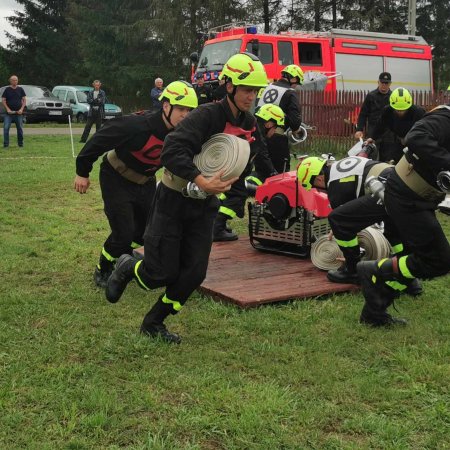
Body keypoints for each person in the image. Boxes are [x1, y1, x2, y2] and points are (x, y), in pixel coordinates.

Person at [105, 52, 269, 343]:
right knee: (160, 273)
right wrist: (200, 179)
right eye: (247, 89)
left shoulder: (250, 123)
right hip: (174, 200)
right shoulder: (206, 116)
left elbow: (249, 159)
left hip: (205, 206)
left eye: (255, 91)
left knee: (194, 274)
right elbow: (171, 150)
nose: (251, 96)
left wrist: (241, 189)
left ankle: (154, 324)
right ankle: (128, 266)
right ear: (229, 86)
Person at [74, 81, 197, 288]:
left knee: (147, 233)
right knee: (123, 232)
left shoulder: (183, 133)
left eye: (190, 110)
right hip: (116, 178)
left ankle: (125, 257)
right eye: (181, 109)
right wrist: (82, 172)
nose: (186, 115)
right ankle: (103, 268)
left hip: (146, 183)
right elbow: (99, 140)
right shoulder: (137, 124)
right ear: (166, 106)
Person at [356, 104, 450, 326]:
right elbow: (415, 136)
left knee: (436, 260)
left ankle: (374, 310)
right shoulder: (446, 117)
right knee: (438, 260)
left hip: (420, 198)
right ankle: (373, 272)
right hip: (406, 196)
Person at [296, 151, 421, 296]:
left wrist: (342, 236)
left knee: (337, 220)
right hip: (403, 183)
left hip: (387, 190)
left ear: (318, 177)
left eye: (314, 185)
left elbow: (345, 221)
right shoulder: (341, 167)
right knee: (393, 231)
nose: (318, 190)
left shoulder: (334, 185)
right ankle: (410, 275)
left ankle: (353, 269)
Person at [256, 64, 304, 171]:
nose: (295, 86)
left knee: (262, 168)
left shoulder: (268, 86)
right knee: (281, 172)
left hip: (259, 133)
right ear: (293, 78)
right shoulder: (290, 93)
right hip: (276, 135)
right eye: (296, 83)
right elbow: (295, 121)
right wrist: (297, 130)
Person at [365, 87, 426, 163]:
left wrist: (412, 140)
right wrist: (372, 137)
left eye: (403, 110)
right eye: (398, 110)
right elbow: (380, 125)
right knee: (394, 162)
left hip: (416, 142)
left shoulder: (419, 112)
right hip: (398, 141)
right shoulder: (387, 111)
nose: (400, 112)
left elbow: (426, 131)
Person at [245, 104, 288, 192]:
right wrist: (275, 175)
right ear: (269, 124)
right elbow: (262, 154)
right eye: (275, 127)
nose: (275, 131)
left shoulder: (251, 127)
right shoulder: (257, 134)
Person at [354, 72, 395, 162]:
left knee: (386, 160)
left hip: (388, 133)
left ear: (390, 84)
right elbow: (363, 114)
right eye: (382, 82)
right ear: (378, 82)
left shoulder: (393, 97)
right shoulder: (371, 96)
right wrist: (359, 129)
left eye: (386, 83)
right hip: (373, 133)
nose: (384, 85)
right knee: (371, 158)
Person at [2, 75, 26, 148]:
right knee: (6, 128)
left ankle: (20, 144)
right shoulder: (7, 90)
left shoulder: (21, 89)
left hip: (18, 113)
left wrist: (21, 109)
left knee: (20, 129)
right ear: (10, 81)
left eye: (16, 80)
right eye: (13, 80)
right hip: (8, 114)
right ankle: (6, 145)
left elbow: (24, 100)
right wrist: (8, 109)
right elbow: (3, 100)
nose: (15, 81)